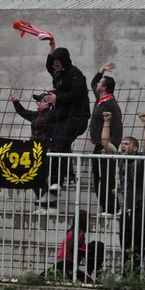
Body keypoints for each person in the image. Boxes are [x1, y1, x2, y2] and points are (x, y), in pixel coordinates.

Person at [102, 111, 145, 271]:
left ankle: (136, 272)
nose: (122, 145)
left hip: (141, 207)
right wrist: (107, 121)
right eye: (122, 143)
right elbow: (105, 143)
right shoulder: (121, 159)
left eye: (126, 143)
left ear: (135, 148)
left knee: (139, 243)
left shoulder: (142, 159)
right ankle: (126, 271)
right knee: (124, 241)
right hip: (126, 208)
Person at [45, 40, 90, 192]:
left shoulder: (75, 74)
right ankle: (58, 181)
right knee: (58, 147)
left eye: (57, 60)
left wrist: (57, 98)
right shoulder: (59, 74)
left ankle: (59, 181)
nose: (55, 63)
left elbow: (78, 93)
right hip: (63, 118)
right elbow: (48, 66)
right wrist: (51, 48)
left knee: (60, 145)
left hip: (77, 118)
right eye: (54, 60)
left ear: (64, 60)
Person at [9, 89, 57, 213]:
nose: (37, 103)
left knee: (42, 177)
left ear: (47, 103)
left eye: (39, 101)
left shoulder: (52, 114)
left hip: (46, 150)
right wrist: (16, 102)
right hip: (34, 150)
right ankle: (43, 204)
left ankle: (52, 206)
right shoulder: (36, 115)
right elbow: (22, 112)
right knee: (34, 178)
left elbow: (59, 112)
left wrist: (56, 100)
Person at [89, 63, 122, 216]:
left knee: (107, 178)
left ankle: (113, 207)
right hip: (97, 146)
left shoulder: (112, 104)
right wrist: (101, 69)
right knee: (97, 178)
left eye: (100, 82)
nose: (97, 83)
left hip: (105, 148)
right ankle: (104, 205)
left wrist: (110, 146)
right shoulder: (100, 100)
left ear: (104, 87)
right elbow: (92, 82)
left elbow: (117, 128)